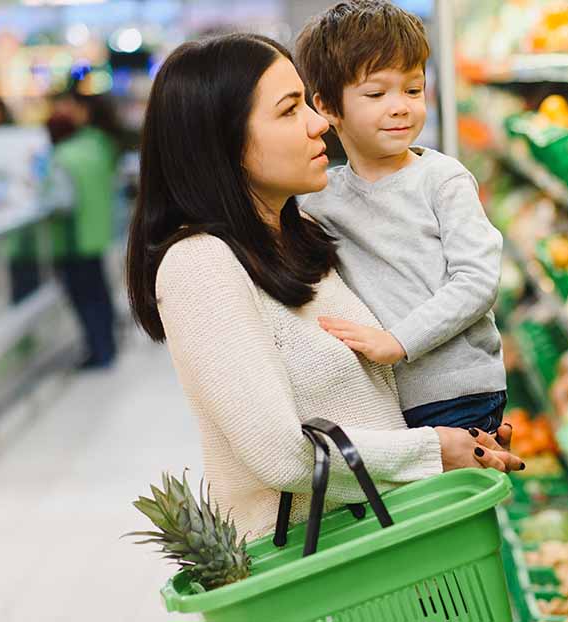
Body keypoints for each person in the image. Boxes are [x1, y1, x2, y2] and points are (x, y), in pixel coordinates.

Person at [125, 33, 522, 541]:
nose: (319, 123)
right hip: (320, 572)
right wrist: (432, 449)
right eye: (290, 111)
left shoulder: (303, 233)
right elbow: (281, 452)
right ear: (223, 140)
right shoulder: (199, 264)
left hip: (386, 540)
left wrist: (459, 419)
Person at [296, 1, 508, 435]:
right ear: (328, 107)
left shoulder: (442, 179)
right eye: (376, 94)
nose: (400, 107)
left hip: (458, 391)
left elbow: (477, 281)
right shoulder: (321, 200)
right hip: (386, 399)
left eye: (413, 90)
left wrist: (399, 341)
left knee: (453, 502)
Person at [45, 89, 123, 369]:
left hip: (74, 238)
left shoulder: (64, 155)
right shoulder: (100, 146)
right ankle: (107, 348)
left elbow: (62, 202)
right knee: (99, 294)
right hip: (98, 234)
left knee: (85, 298)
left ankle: (98, 352)